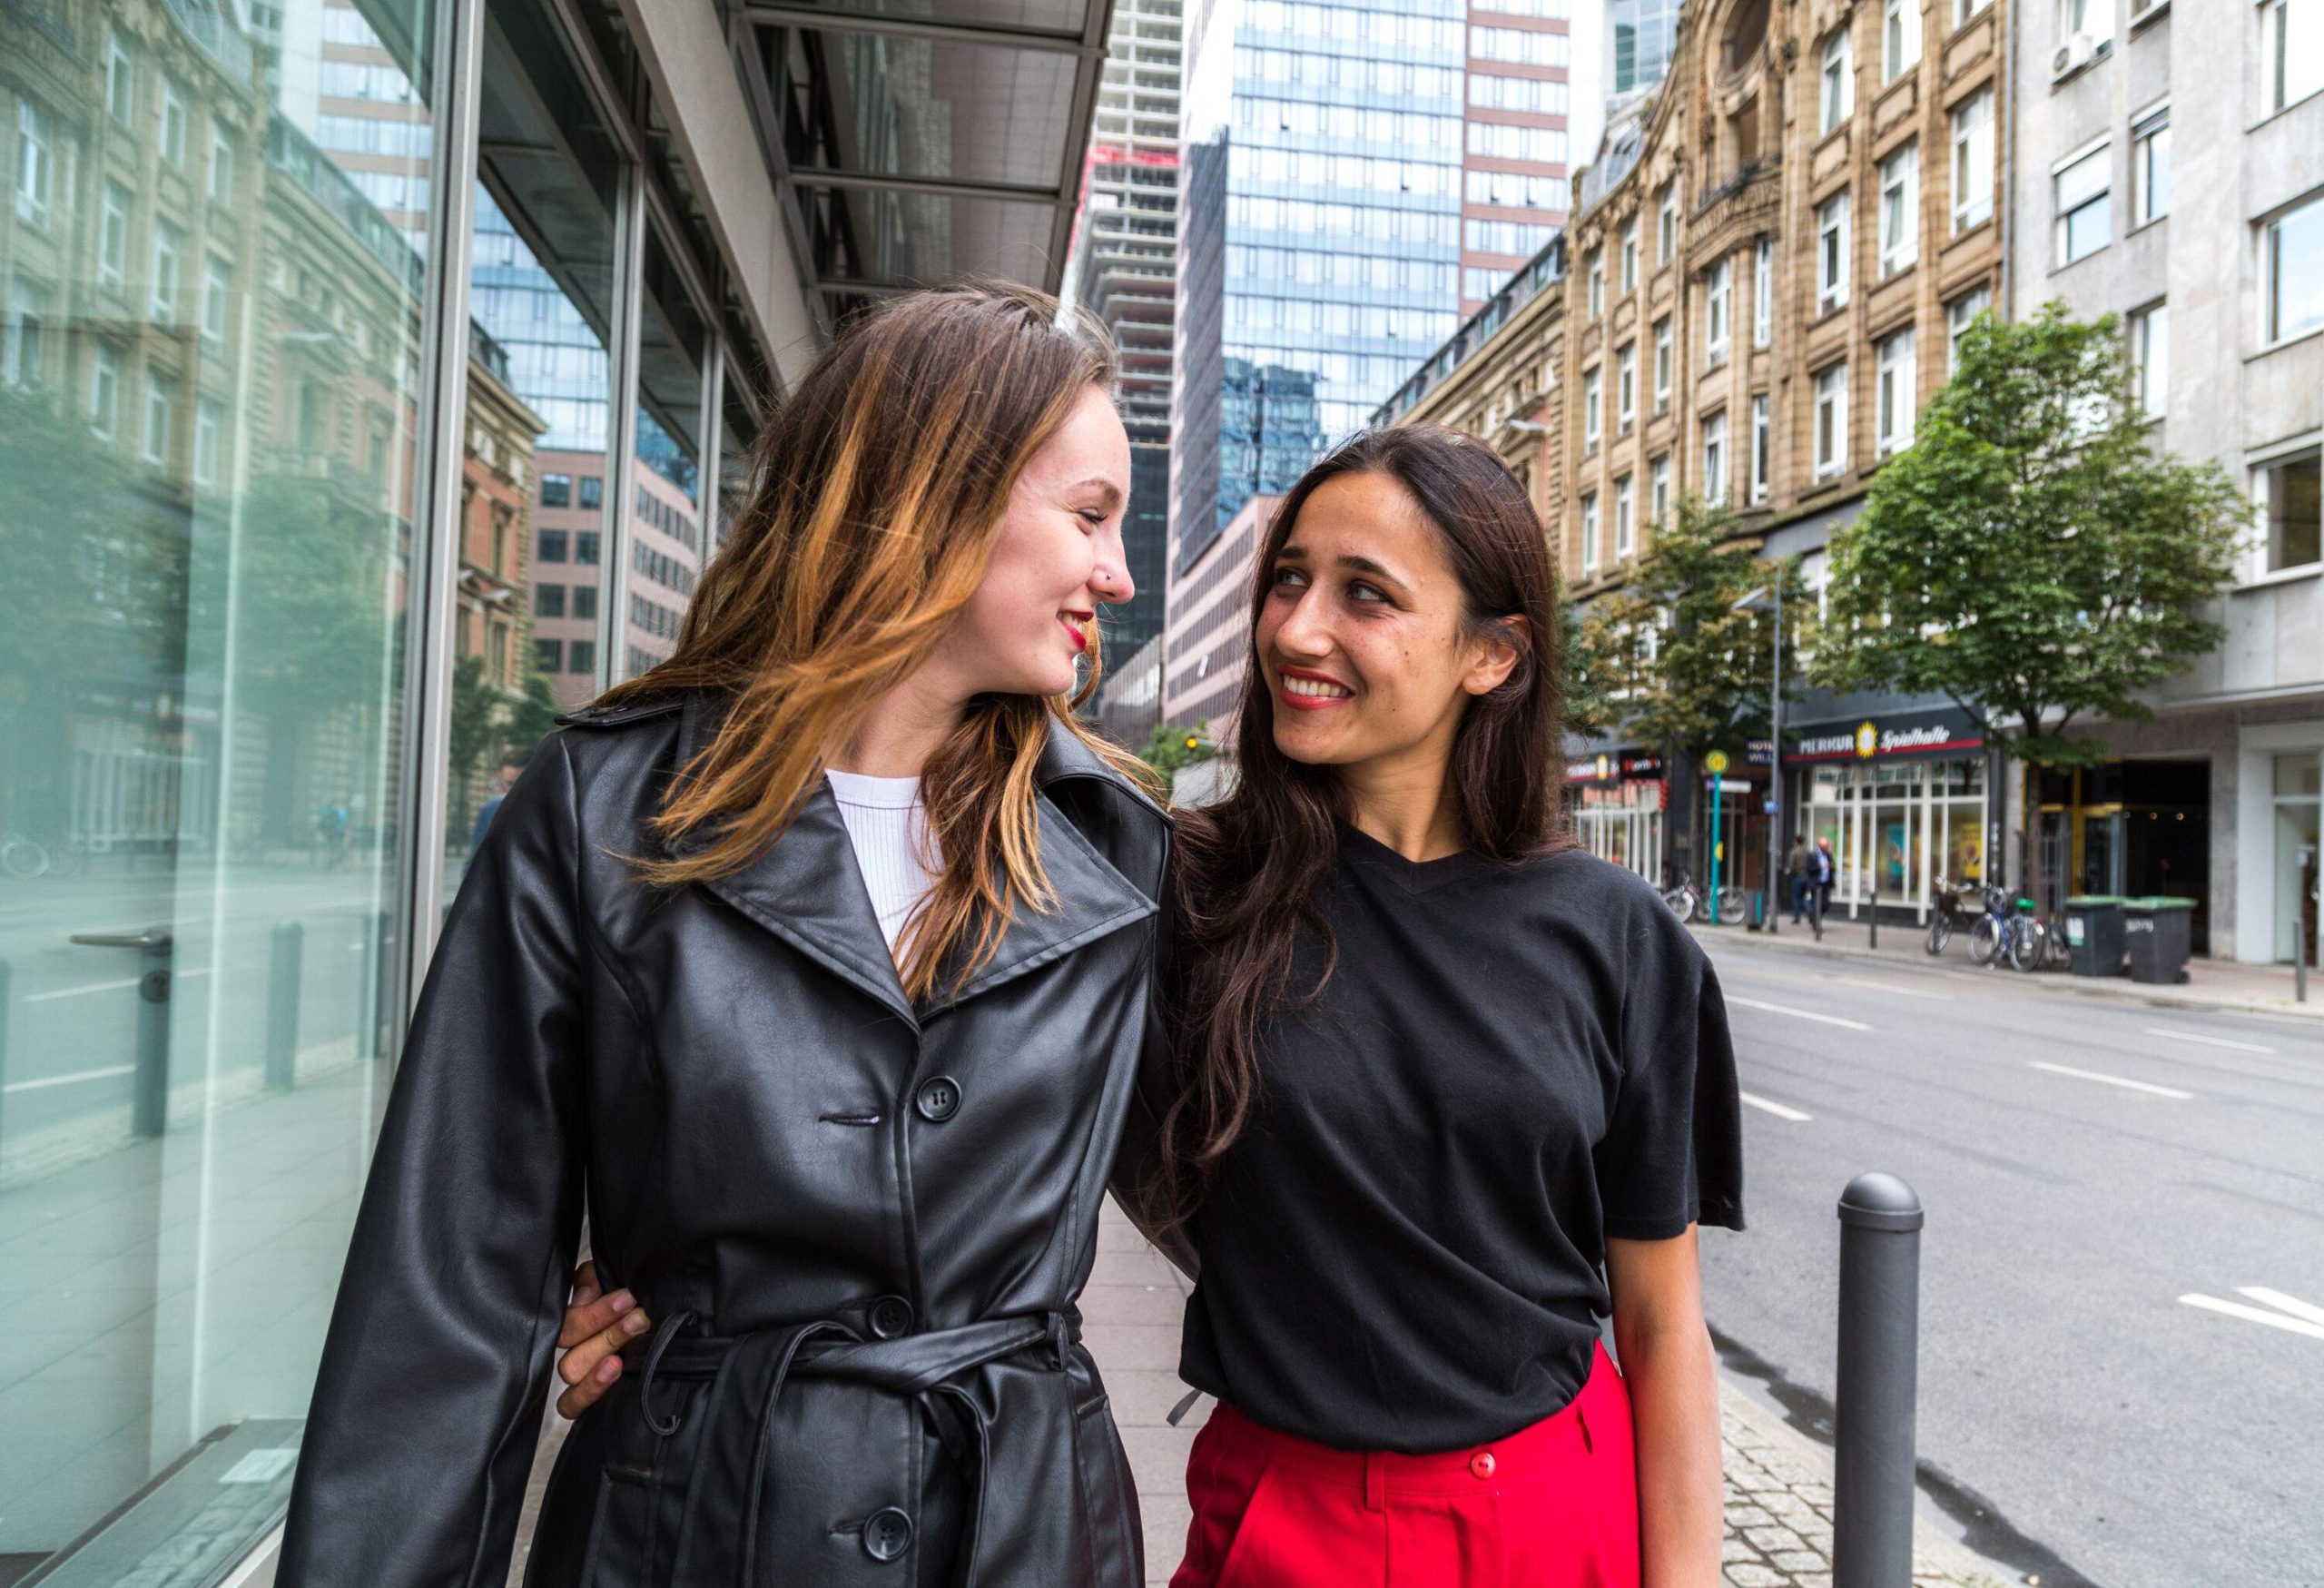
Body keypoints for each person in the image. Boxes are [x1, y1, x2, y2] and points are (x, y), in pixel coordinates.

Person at [558, 427, 1745, 1586]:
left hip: (1553, 1513)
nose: (1297, 628)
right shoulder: (1160, 886)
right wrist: (667, 1292)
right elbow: (871, 1056)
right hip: (1284, 1515)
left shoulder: (1617, 935)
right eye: (1288, 581)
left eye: (1364, 595)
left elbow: (1659, 1328)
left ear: (1493, 654)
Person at [279, 283, 1169, 1588]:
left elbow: (1271, 1185)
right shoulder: (607, 808)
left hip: (1023, 1530)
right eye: (1090, 516)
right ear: (938, 491)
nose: (1119, 572)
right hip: (691, 1525)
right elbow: (447, 1298)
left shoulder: (1115, 842)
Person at [1786, 832, 1811, 923]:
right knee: (1804, 897)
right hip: (1807, 877)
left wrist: (1789, 872)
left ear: (1796, 842)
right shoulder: (1807, 852)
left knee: (1797, 898)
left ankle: (1797, 918)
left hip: (1797, 877)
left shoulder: (1794, 852)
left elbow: (1792, 867)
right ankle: (1810, 910)